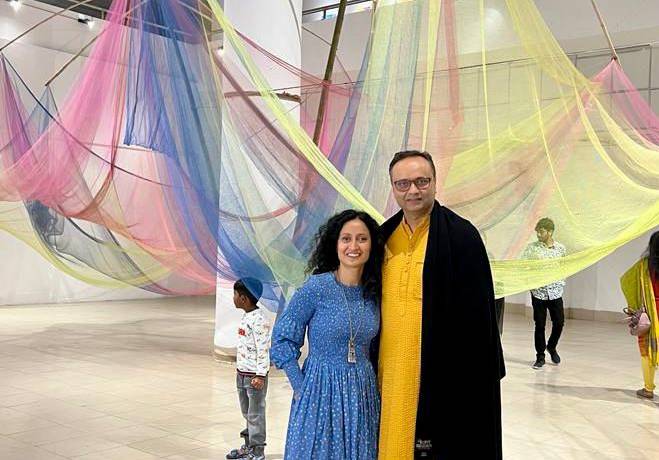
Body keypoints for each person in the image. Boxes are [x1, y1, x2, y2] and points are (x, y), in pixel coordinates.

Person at [373, 150, 505, 459]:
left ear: (434, 182)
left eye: (422, 181)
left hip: (442, 372)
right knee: (390, 438)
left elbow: (479, 320)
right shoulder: (382, 237)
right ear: (393, 188)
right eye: (403, 183)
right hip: (389, 368)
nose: (413, 190)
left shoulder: (461, 237)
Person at [271, 210, 383, 459]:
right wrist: (300, 386)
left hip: (361, 393)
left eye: (362, 239)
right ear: (335, 243)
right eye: (346, 239)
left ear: (372, 245)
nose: (353, 246)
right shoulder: (317, 288)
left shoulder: (375, 291)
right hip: (319, 390)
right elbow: (283, 338)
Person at [227, 278, 270, 460]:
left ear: (244, 298)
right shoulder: (247, 316)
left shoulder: (259, 320)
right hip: (242, 374)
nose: (233, 298)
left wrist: (260, 375)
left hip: (254, 377)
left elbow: (263, 349)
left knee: (255, 414)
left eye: (235, 294)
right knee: (247, 412)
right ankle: (248, 445)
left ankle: (257, 451)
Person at [521, 217, 567, 369]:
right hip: (538, 293)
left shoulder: (561, 249)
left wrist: (561, 282)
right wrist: (530, 282)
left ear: (550, 232)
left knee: (559, 322)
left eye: (541, 231)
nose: (538, 234)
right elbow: (524, 265)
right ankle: (540, 356)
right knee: (539, 325)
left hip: (555, 292)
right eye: (537, 232)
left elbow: (564, 267)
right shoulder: (532, 248)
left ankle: (551, 347)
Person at [620, 231, 659, 400]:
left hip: (650, 313)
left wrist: (634, 306)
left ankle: (648, 389)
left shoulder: (643, 266)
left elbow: (626, 280)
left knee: (647, 350)